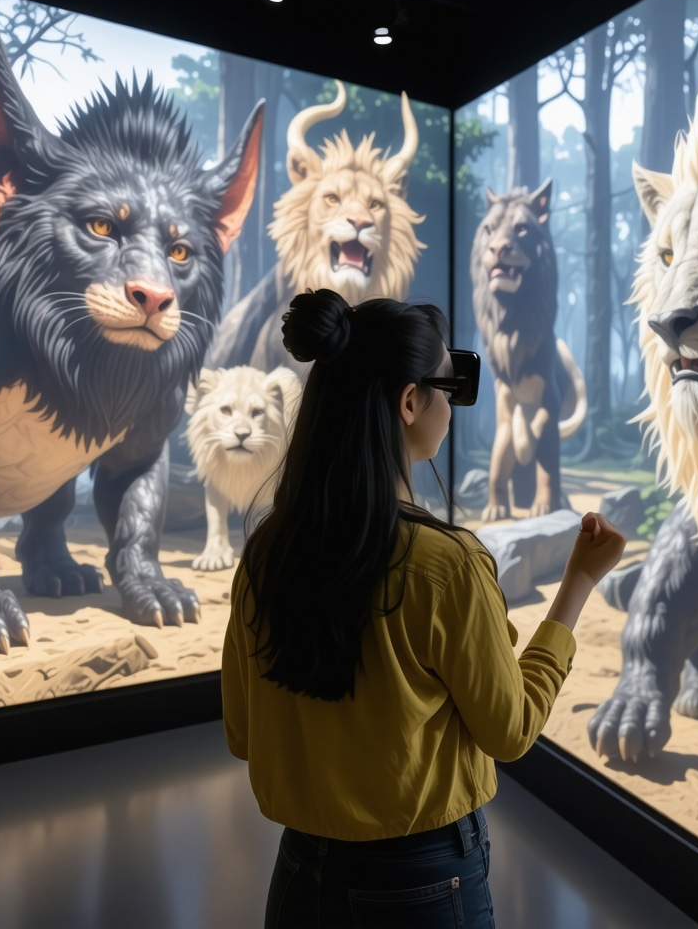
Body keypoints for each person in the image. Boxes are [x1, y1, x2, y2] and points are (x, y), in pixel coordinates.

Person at [221, 287, 626, 929]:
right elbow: (510, 730)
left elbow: (244, 734)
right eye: (449, 385)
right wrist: (577, 582)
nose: (452, 404)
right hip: (422, 881)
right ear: (410, 402)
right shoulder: (448, 565)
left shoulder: (268, 551)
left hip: (300, 872)